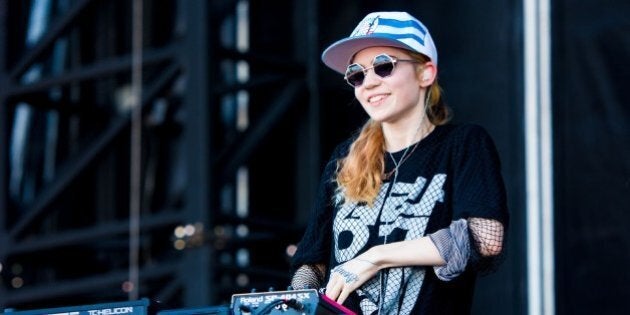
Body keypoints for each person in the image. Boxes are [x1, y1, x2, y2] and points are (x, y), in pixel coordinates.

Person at [289, 11, 509, 315]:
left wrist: (375, 257)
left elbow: (485, 238)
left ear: (425, 73)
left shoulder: (462, 144)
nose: (369, 82)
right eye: (357, 74)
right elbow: (312, 261)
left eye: (383, 66)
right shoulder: (344, 158)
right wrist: (295, 302)